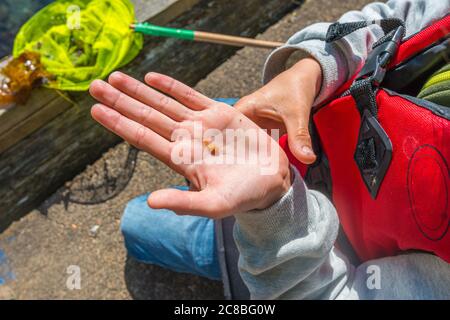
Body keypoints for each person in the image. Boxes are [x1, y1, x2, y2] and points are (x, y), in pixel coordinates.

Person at [89, 0, 450, 299]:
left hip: (290, 237)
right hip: (298, 125)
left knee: (135, 224)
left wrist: (270, 212)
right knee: (197, 124)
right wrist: (310, 68)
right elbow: (395, 18)